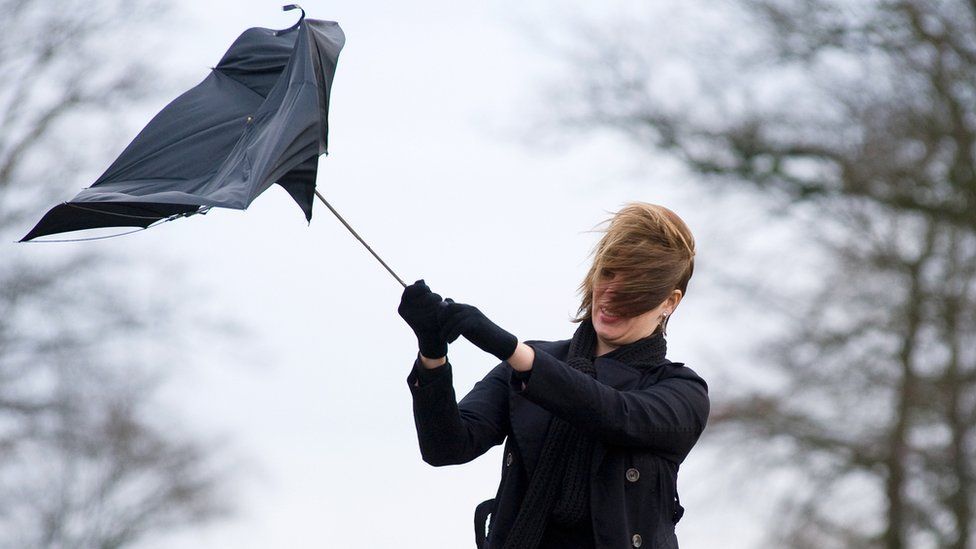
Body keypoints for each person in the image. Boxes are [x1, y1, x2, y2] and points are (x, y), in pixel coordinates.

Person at [398, 202, 709, 549]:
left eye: (635, 290)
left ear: (670, 302)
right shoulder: (533, 360)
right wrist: (432, 353)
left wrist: (513, 351)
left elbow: (615, 413)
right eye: (608, 273)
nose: (612, 295)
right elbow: (447, 446)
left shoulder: (682, 391)